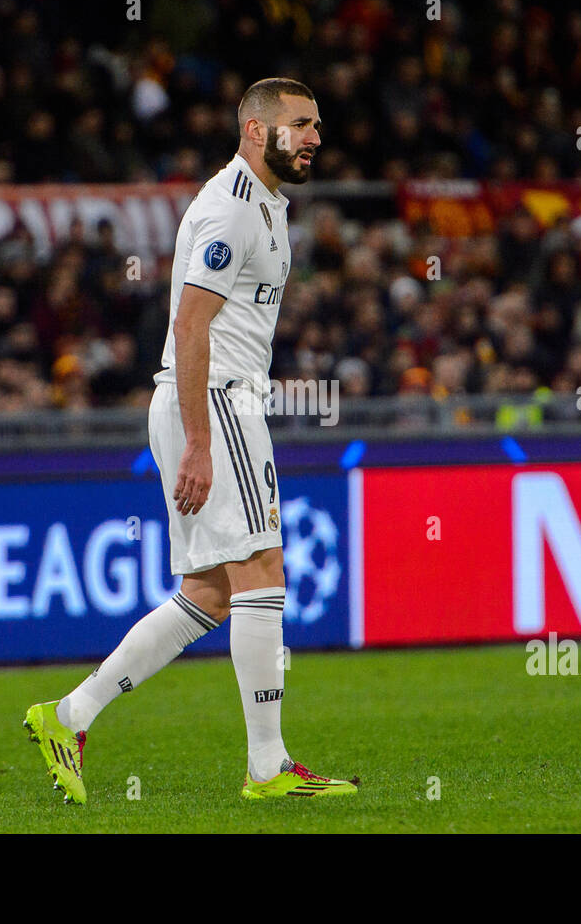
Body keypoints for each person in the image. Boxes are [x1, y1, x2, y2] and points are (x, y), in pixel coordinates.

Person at [24, 78, 357, 801]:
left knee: (208, 592)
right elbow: (189, 325)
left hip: (215, 402)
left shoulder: (267, 204)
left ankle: (67, 715)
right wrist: (203, 442)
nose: (314, 138)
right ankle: (267, 767)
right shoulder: (233, 211)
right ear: (253, 130)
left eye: (317, 125)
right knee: (263, 567)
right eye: (300, 124)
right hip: (216, 403)